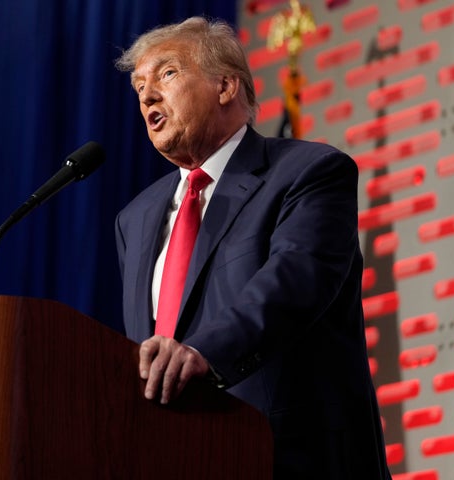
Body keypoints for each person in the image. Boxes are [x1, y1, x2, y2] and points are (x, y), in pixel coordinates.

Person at [114, 16, 392, 479]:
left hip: (288, 459)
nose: (147, 96)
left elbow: (293, 283)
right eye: (139, 85)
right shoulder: (135, 219)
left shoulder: (310, 172)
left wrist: (202, 353)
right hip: (175, 459)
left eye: (166, 74)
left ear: (225, 85)